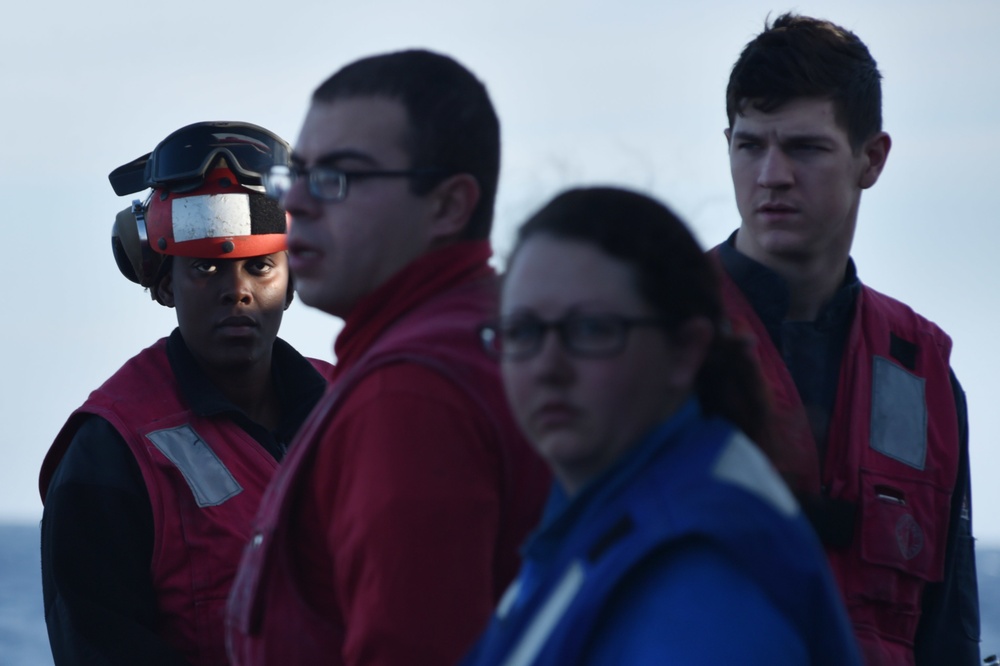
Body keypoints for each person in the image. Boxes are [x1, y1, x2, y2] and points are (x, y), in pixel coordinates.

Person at [224, 50, 550, 666]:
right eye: (298, 175)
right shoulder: (497, 338)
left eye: (339, 178)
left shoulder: (408, 396)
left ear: (449, 206)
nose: (299, 206)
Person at [461, 186, 862, 665]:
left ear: (685, 350)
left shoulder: (701, 579)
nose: (548, 366)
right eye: (523, 331)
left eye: (591, 329)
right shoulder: (596, 522)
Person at [715, 13, 980, 665]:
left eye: (804, 148)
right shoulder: (650, 342)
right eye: (750, 145)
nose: (771, 174)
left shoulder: (923, 380)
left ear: (873, 158)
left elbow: (947, 638)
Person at [39, 121, 332, 666]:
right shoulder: (110, 450)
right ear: (164, 281)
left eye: (261, 266)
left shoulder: (357, 404)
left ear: (293, 282)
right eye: (206, 268)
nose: (237, 291)